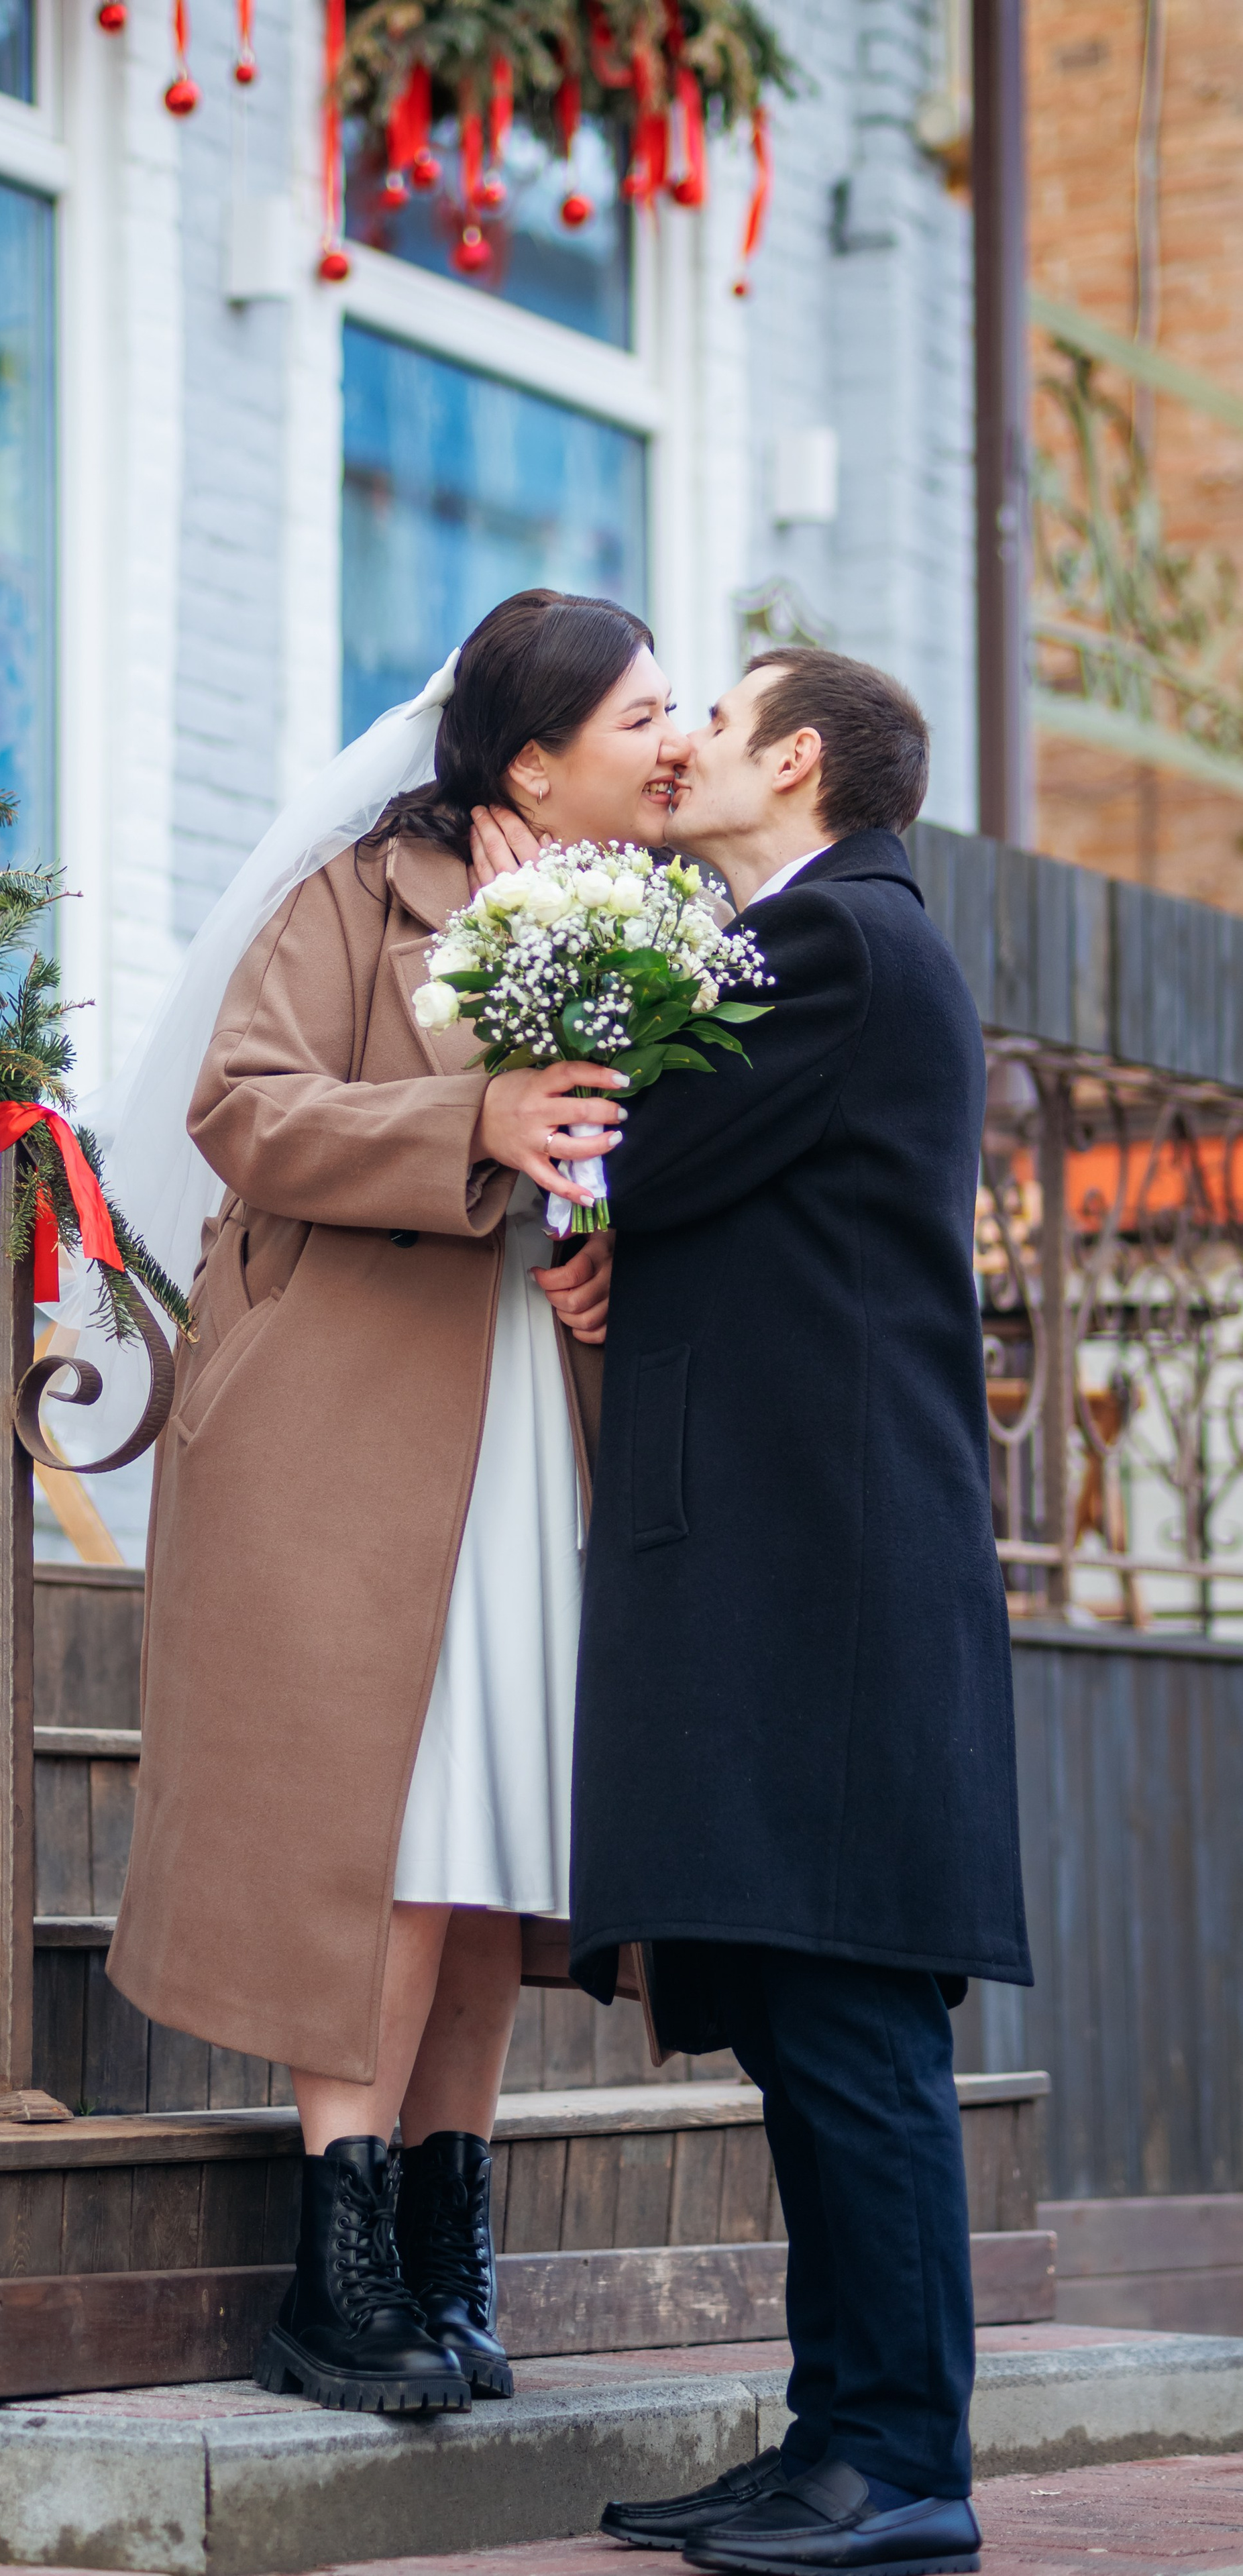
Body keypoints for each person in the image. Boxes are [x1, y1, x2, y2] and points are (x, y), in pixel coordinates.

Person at [101, 590, 679, 2414]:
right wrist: (473, 1123)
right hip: (351, 1434)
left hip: (537, 1423)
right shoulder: (358, 897)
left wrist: (612, 1247)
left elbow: (635, 1160)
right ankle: (334, 2264)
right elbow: (244, 1108)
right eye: (644, 715)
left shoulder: (665, 930)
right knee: (400, 1825)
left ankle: (445, 2239)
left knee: (502, 1840)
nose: (677, 742)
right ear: (534, 760)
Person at [523, 647, 1026, 2567]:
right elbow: (684, 1187)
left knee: (850, 2019)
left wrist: (597, 1191)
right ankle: (837, 2437)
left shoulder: (837, 943)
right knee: (804, 2022)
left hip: (831, 1569)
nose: (683, 749)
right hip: (788, 1552)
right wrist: (615, 1231)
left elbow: (647, 1149)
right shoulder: (809, 945)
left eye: (716, 722)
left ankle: (900, 2468)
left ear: (800, 759)